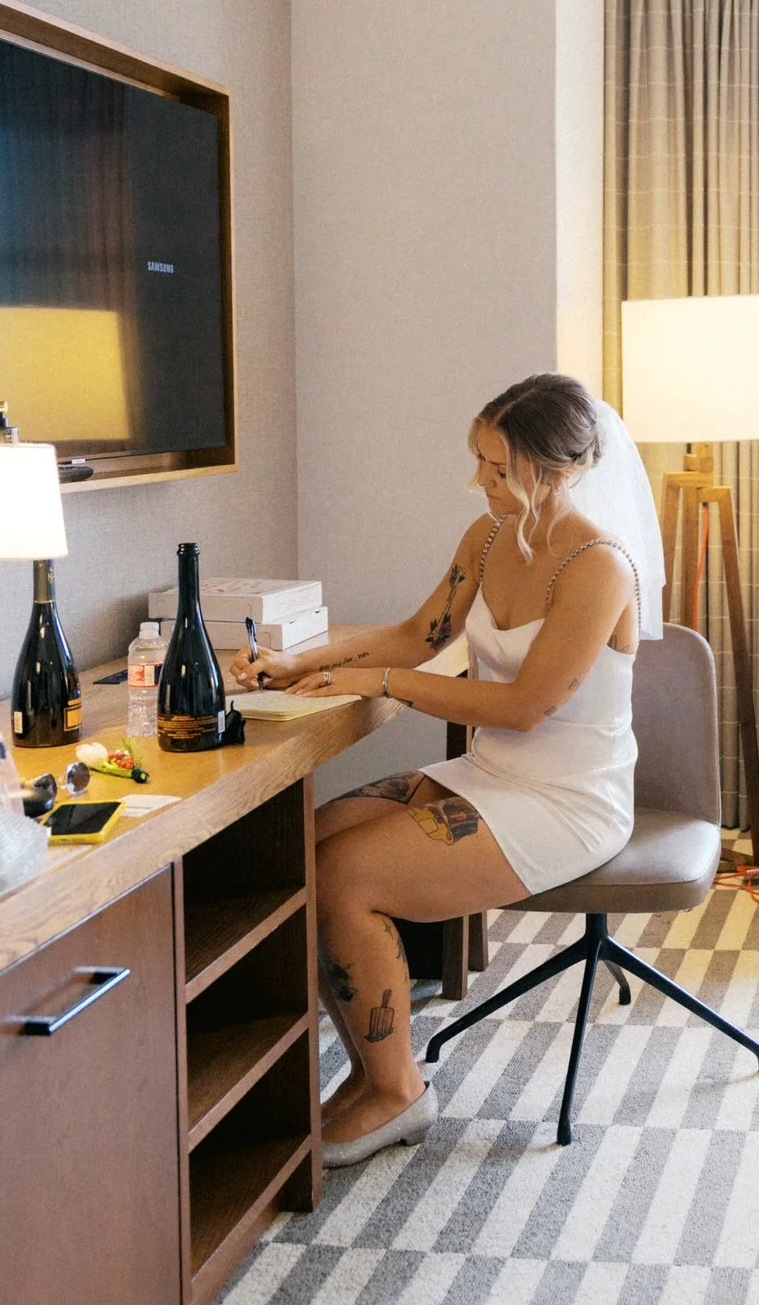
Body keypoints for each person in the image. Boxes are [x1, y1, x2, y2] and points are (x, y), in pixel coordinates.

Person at [230, 373, 665, 1166]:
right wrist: (300, 660)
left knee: (348, 875)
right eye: (479, 461)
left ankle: (399, 1093)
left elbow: (525, 706)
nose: (480, 481)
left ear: (555, 471)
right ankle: (372, 1074)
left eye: (499, 468)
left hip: (569, 799)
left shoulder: (600, 565)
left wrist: (376, 684)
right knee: (310, 845)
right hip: (493, 774)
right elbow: (414, 634)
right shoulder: (487, 538)